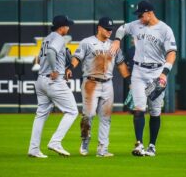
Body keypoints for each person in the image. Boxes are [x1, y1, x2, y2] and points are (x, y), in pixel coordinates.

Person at [110, 1, 177, 156]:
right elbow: (122, 28)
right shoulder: (136, 25)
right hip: (139, 71)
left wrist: (164, 74)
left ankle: (152, 146)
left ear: (150, 13)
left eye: (141, 14)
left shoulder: (165, 30)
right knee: (138, 108)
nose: (139, 17)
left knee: (155, 110)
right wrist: (117, 40)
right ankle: (139, 144)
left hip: (157, 71)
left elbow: (172, 53)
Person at [66, 17, 131, 157]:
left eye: (111, 29)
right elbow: (77, 57)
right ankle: (85, 140)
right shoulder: (87, 42)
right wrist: (70, 67)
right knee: (88, 115)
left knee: (106, 117)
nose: (109, 31)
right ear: (99, 28)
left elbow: (121, 65)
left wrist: (130, 81)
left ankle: (103, 149)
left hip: (108, 83)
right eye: (107, 29)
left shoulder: (114, 45)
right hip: (91, 83)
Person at [28, 15, 79, 158]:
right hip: (53, 81)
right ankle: (55, 142)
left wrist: (60, 62)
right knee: (72, 111)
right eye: (67, 25)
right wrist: (54, 69)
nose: (68, 27)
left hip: (41, 81)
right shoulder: (58, 38)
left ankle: (33, 149)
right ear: (61, 27)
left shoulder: (47, 38)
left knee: (41, 115)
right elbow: (51, 52)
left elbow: (38, 58)